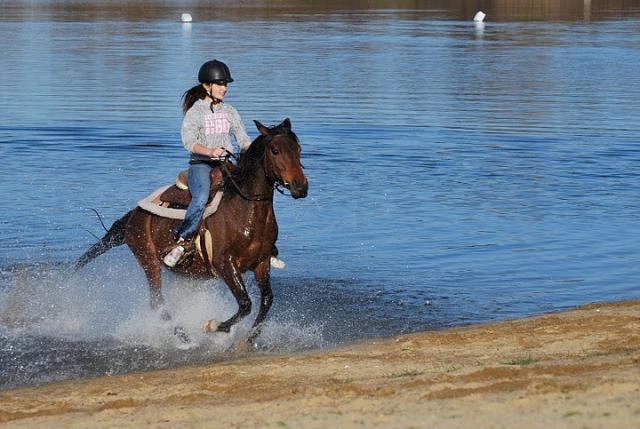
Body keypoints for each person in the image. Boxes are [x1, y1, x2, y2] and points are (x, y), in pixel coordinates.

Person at [163, 59, 251, 267]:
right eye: (220, 84)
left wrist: (255, 151)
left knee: (250, 191)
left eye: (226, 84)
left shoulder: (229, 111)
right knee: (201, 197)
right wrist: (210, 151)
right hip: (201, 165)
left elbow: (243, 138)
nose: (224, 89)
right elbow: (189, 142)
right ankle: (181, 241)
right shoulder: (196, 112)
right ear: (206, 86)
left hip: (226, 165)